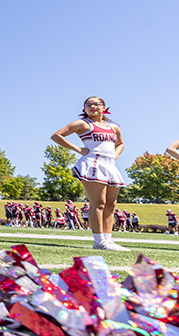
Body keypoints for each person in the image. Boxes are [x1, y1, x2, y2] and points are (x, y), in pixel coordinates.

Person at [51, 96, 127, 251]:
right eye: (88, 105)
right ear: (84, 109)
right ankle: (99, 241)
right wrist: (78, 150)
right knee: (98, 204)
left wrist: (115, 155)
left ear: (104, 107)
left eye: (97, 104)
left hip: (110, 165)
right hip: (93, 163)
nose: (93, 107)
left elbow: (120, 143)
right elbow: (56, 136)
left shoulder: (113, 127)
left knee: (111, 205)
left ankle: (108, 240)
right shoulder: (83, 124)